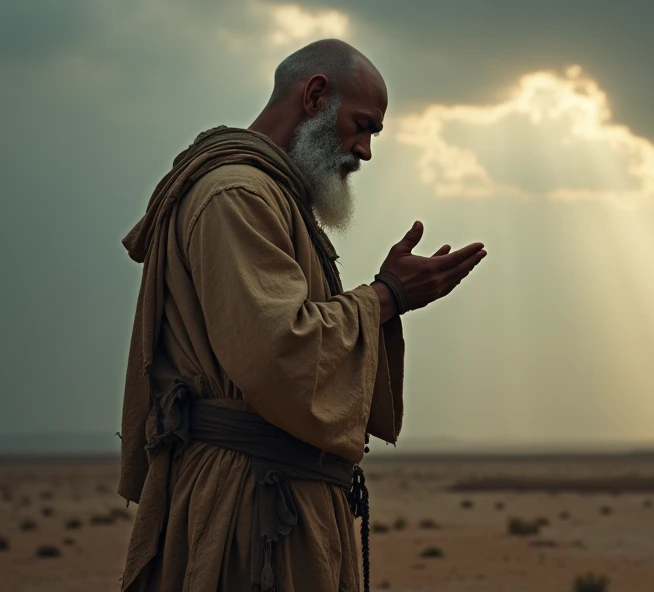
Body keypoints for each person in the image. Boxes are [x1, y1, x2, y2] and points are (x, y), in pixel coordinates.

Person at [116, 38, 487, 592]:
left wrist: (388, 295)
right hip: (248, 516)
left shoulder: (272, 197)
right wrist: (388, 295)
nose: (364, 151)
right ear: (315, 96)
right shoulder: (236, 195)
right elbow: (278, 352)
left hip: (277, 500)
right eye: (363, 126)